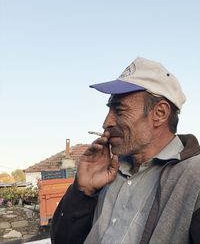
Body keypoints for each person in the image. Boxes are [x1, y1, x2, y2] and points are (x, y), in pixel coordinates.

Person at [50, 57, 200, 244]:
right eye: (109, 110)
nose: (106, 122)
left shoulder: (194, 177)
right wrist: (83, 192)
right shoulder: (107, 170)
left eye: (120, 111)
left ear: (160, 113)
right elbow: (61, 240)